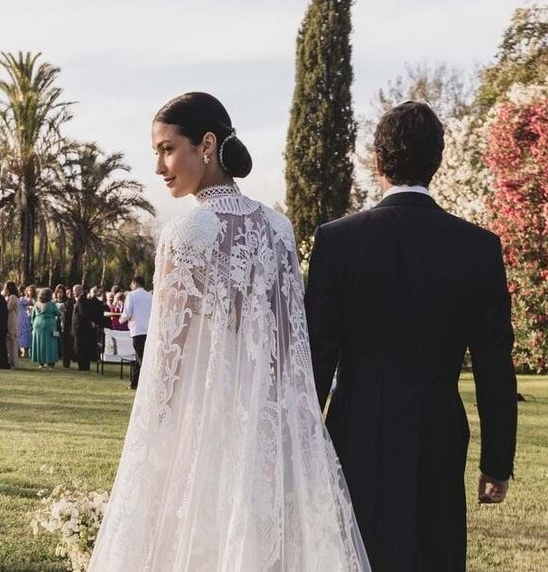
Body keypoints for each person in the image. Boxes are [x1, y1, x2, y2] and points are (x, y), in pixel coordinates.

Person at [88, 92, 369, 570]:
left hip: (206, 425)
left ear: (208, 145)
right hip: (270, 423)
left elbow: (165, 362)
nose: (158, 166)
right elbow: (290, 343)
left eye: (166, 149)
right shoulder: (279, 229)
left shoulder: (185, 234)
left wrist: (151, 449)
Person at [305, 102, 519, 570]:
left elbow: (316, 356)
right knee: (433, 551)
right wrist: (496, 461)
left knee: (355, 551)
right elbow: (494, 363)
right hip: (438, 423)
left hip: (357, 423)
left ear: (377, 162)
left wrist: (299, 443)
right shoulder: (479, 247)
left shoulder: (337, 239)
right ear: (437, 162)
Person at [119, 276, 152, 390]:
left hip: (137, 330)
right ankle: (135, 383)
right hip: (148, 330)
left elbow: (127, 313)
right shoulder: (150, 296)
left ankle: (150, 384)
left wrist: (121, 319)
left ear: (135, 284)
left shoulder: (131, 295)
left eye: (131, 285)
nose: (131, 287)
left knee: (141, 358)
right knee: (139, 358)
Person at [72, 285, 103, 371]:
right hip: (82, 327)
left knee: (80, 347)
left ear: (80, 291)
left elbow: (82, 314)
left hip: (80, 327)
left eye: (75, 290)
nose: (73, 292)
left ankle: (83, 366)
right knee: (81, 347)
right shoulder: (83, 299)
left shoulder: (82, 300)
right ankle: (83, 365)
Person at [30, 287, 60, 369]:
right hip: (49, 325)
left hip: (37, 324)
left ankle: (41, 362)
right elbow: (58, 313)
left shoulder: (36, 304)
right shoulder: (51, 304)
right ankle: (50, 362)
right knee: (50, 343)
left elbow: (32, 316)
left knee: (39, 343)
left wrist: (33, 326)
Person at [55, 284, 75, 368]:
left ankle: (66, 363)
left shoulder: (68, 302)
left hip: (65, 326)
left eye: (61, 292)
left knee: (65, 345)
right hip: (56, 325)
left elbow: (70, 314)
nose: (60, 294)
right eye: (58, 292)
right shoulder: (54, 302)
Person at [4, 282, 20, 368]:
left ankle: (13, 361)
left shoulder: (12, 297)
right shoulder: (14, 297)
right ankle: (11, 360)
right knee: (10, 342)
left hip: (11, 319)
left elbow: (8, 308)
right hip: (12, 318)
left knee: (12, 340)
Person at [18, 286, 34, 358]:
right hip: (23, 317)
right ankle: (23, 351)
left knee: (26, 334)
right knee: (23, 333)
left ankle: (26, 351)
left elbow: (31, 303)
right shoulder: (21, 299)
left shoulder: (24, 299)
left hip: (27, 317)